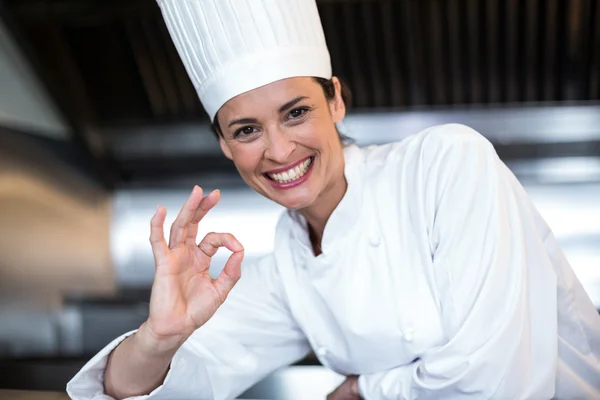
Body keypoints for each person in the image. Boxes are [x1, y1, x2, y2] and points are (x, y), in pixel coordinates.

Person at [67, 0, 600, 399]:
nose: (278, 150)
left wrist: (368, 389)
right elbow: (172, 386)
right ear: (226, 147)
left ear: (336, 100)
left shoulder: (446, 165)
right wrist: (160, 335)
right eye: (248, 130)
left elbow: (499, 379)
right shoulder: (287, 271)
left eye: (296, 112)